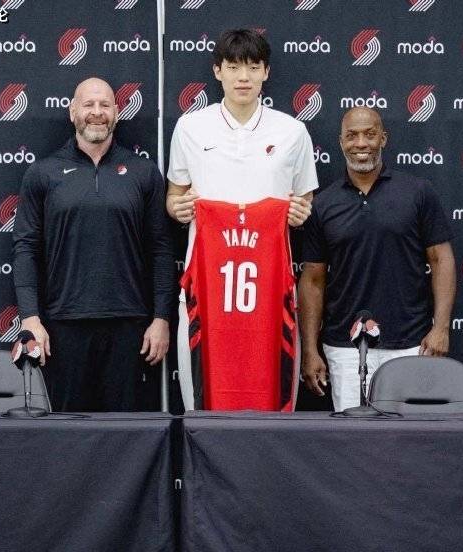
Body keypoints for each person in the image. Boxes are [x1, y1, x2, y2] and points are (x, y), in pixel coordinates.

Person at [166, 29, 319, 410]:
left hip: (269, 284)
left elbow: (304, 199)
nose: (243, 77)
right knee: (204, 397)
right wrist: (177, 208)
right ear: (217, 71)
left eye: (253, 67)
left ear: (266, 72)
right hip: (206, 284)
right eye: (233, 67)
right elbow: (174, 196)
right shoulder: (190, 127)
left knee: (269, 391)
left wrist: (299, 212)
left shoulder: (292, 131)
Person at [12, 77, 174, 412]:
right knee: (67, 432)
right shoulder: (43, 173)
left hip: (130, 328)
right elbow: (26, 248)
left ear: (117, 112)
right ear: (73, 111)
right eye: (88, 104)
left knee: (127, 434)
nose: (97, 112)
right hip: (62, 327)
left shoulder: (143, 173)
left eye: (104, 105)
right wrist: (30, 318)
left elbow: (160, 250)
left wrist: (161, 318)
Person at [298, 107, 456, 412]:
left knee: (409, 436)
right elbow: (313, 280)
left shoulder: (417, 192)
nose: (361, 143)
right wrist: (310, 350)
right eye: (352, 135)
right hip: (345, 347)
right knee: (352, 438)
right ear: (341, 142)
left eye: (370, 134)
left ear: (383, 138)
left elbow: (441, 260)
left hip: (411, 343)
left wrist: (441, 328)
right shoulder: (323, 204)